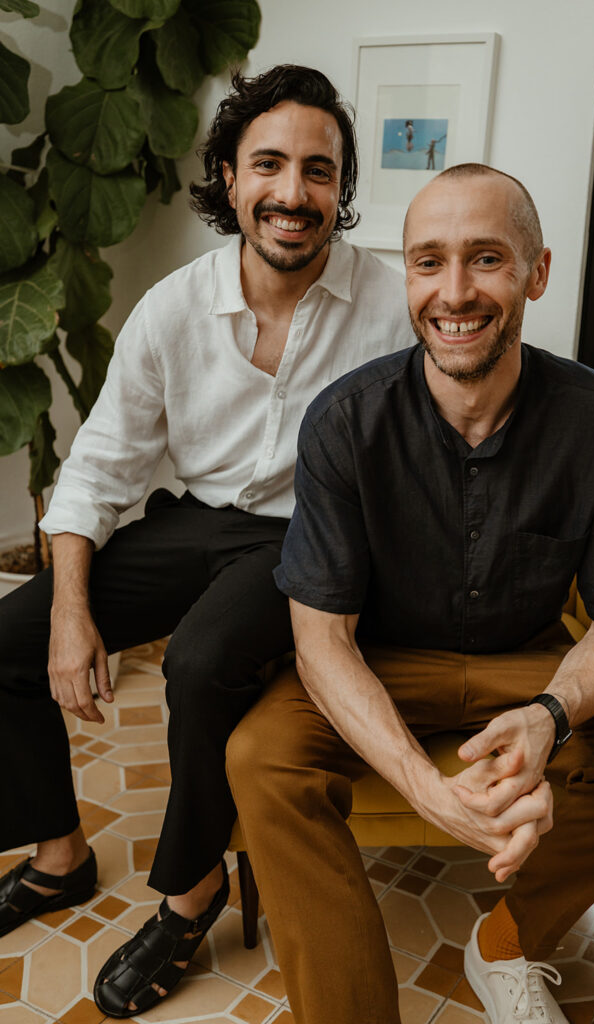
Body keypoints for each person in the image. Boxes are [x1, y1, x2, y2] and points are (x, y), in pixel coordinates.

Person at [225, 163, 594, 1024]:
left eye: (485, 259)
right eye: (428, 262)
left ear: (535, 273)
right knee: (259, 757)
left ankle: (509, 939)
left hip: (529, 664)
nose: (454, 291)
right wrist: (425, 789)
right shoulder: (342, 421)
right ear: (407, 276)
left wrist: (549, 716)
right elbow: (321, 641)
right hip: (381, 663)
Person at [0, 65, 414, 1017]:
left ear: (341, 189)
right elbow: (99, 469)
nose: (292, 192)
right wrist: (71, 615)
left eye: (319, 170)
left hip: (313, 537)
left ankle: (190, 894)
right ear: (228, 177)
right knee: (7, 646)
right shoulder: (171, 309)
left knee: (203, 659)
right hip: (194, 522)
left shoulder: (391, 310)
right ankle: (59, 855)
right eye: (268, 164)